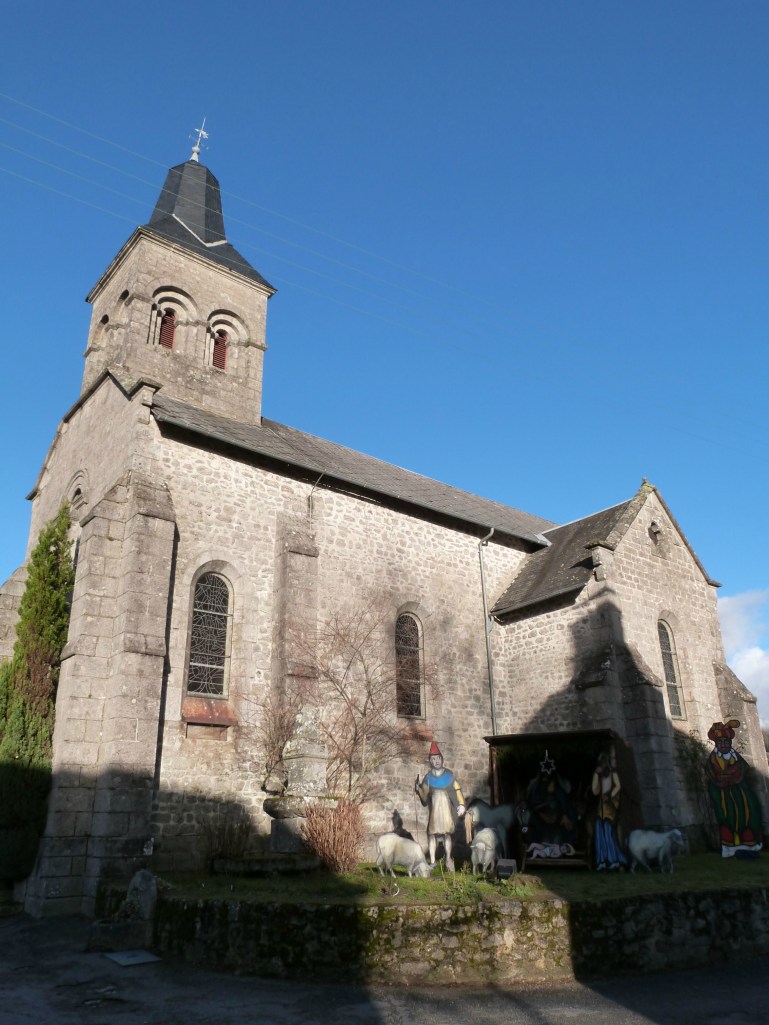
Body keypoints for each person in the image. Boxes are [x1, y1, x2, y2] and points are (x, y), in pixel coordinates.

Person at [705, 720, 763, 858]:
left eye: (726, 743)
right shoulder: (713, 759)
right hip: (723, 794)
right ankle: (730, 847)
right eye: (720, 743)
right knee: (727, 817)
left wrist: (734, 773)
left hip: (740, 792)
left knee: (748, 813)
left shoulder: (735, 757)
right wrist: (722, 778)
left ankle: (749, 844)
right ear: (716, 744)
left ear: (730, 744)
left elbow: (743, 768)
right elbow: (711, 773)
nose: (723, 745)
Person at [415, 742, 465, 870]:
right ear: (430, 761)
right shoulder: (428, 778)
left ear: (441, 759)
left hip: (447, 811)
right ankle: (432, 861)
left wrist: (461, 804)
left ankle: (448, 859)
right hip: (435, 812)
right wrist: (418, 789)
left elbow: (457, 790)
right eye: (433, 759)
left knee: (448, 834)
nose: (436, 761)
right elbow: (425, 796)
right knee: (431, 835)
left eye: (438, 758)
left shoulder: (449, 775)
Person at [591, 748, 627, 871]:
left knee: (608, 832)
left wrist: (610, 795)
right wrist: (596, 774)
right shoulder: (599, 774)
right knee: (599, 833)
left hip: (610, 806)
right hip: (601, 807)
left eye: (604, 763)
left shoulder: (613, 772)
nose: (603, 765)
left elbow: (618, 786)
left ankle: (613, 860)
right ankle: (601, 860)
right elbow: (595, 791)